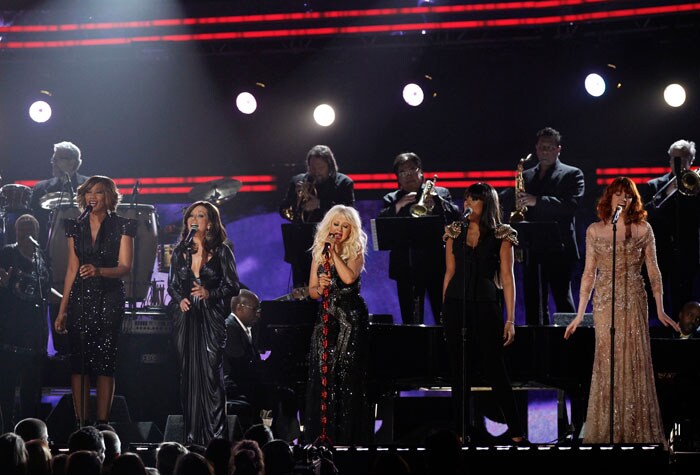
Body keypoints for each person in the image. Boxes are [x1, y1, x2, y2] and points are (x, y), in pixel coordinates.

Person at [564, 177, 680, 445]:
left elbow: (653, 271)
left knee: (634, 359)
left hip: (634, 301)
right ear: (609, 198)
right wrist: (580, 314)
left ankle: (636, 432)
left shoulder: (643, 229)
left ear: (633, 199)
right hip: (605, 303)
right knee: (607, 360)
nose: (622, 198)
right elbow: (588, 274)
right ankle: (607, 431)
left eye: (627, 194)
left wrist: (660, 310)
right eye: (617, 194)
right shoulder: (594, 230)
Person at [442, 182, 526, 444]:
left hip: (486, 304)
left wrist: (510, 319)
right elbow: (450, 272)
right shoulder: (455, 232)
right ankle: (460, 433)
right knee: (459, 372)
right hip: (457, 303)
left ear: (486, 203)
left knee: (495, 369)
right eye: (466, 199)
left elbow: (507, 278)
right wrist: (445, 310)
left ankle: (516, 433)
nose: (468, 203)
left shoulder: (502, 234)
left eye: (474, 200)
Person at [54, 176, 135, 426]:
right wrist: (62, 310)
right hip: (80, 297)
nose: (93, 196)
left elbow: (125, 267)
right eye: (89, 192)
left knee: (104, 361)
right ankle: (82, 423)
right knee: (79, 361)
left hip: (109, 297)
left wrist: (99, 271)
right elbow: (71, 269)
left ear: (109, 197)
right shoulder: (74, 226)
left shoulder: (122, 225)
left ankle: (102, 423)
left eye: (99, 192)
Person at [167, 200, 240, 445]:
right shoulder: (180, 251)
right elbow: (173, 285)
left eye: (201, 215)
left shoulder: (221, 251)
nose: (195, 219)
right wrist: (180, 300)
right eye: (191, 215)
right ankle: (191, 436)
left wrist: (210, 293)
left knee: (210, 375)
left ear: (210, 223)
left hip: (211, 316)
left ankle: (215, 438)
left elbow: (233, 285)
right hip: (186, 318)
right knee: (188, 375)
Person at [501, 127, 585, 325]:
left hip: (560, 248)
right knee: (533, 302)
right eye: (541, 148)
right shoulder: (527, 175)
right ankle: (536, 347)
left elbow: (571, 205)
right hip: (532, 248)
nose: (545, 152)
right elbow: (511, 201)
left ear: (558, 149)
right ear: (536, 149)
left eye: (549, 147)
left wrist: (536, 201)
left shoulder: (572, 174)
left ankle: (570, 346)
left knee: (562, 299)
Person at [304, 204, 371, 446]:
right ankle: (322, 438)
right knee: (324, 377)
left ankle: (348, 438)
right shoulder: (318, 252)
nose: (339, 230)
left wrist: (333, 255)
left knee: (346, 376)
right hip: (326, 320)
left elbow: (349, 278)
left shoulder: (356, 250)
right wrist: (320, 286)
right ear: (328, 226)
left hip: (350, 321)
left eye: (345, 226)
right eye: (336, 224)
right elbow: (313, 291)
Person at [378, 152, 460, 324]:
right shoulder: (391, 199)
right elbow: (381, 226)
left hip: (437, 266)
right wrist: (398, 206)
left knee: (443, 316)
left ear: (421, 172)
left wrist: (438, 202)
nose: (408, 175)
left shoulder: (440, 193)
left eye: (412, 170)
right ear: (397, 178)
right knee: (410, 320)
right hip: (406, 268)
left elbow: (457, 217)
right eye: (403, 172)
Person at [223, 290, 300, 441]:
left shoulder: (247, 328)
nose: (258, 314)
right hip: (235, 384)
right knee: (279, 395)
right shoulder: (230, 328)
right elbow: (240, 366)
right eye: (255, 310)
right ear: (240, 308)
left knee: (287, 394)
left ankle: (280, 437)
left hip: (246, 381)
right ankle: (271, 437)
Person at [0, 215, 51, 432]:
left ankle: (30, 432)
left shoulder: (42, 257)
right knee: (7, 387)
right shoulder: (7, 253)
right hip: (11, 330)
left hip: (34, 333)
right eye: (22, 227)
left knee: (32, 388)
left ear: (37, 232)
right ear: (16, 230)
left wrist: (66, 302)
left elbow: (47, 291)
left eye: (31, 227)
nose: (26, 231)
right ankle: (6, 433)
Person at [279, 145, 355, 288]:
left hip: (333, 246)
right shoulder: (298, 181)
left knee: (333, 291)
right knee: (302, 291)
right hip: (302, 247)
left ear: (330, 166)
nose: (316, 172)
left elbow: (349, 214)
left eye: (320, 167)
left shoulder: (344, 183)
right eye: (312, 167)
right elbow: (284, 209)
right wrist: (297, 201)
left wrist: (320, 204)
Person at [644, 139, 700, 320]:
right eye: (674, 158)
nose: (678, 162)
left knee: (684, 299)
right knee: (656, 299)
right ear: (669, 161)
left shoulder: (697, 184)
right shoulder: (654, 186)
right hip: (660, 251)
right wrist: (668, 191)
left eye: (683, 158)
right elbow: (645, 216)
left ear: (690, 160)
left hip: (687, 251)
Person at [29, 141, 89, 246]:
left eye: (57, 159)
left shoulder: (89, 186)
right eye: (53, 159)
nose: (53, 163)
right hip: (48, 246)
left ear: (72, 162)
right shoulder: (41, 188)